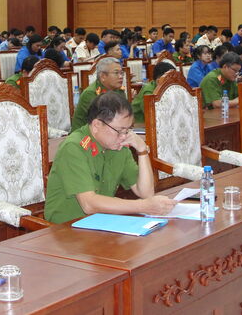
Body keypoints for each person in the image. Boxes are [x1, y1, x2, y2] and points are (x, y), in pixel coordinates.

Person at [45, 92, 175, 223]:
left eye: (128, 130)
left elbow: (146, 193)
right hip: (66, 229)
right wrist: (144, 206)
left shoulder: (119, 146)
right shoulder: (74, 147)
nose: (124, 136)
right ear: (96, 125)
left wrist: (142, 151)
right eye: (120, 130)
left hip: (101, 222)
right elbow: (88, 204)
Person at [71, 57, 126, 131]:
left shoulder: (119, 91)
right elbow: (103, 122)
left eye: (121, 73)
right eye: (116, 73)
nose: (121, 76)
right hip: (85, 137)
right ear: (103, 76)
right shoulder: (90, 94)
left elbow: (125, 115)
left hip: (112, 132)